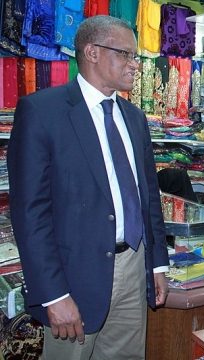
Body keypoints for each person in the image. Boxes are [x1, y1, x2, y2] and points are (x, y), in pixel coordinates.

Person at [7, 16, 169, 359]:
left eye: (135, 57)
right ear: (92, 52)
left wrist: (156, 264)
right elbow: (29, 214)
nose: (135, 65)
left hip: (134, 266)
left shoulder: (135, 118)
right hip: (75, 275)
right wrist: (53, 294)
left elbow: (148, 197)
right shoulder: (42, 111)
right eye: (126, 54)